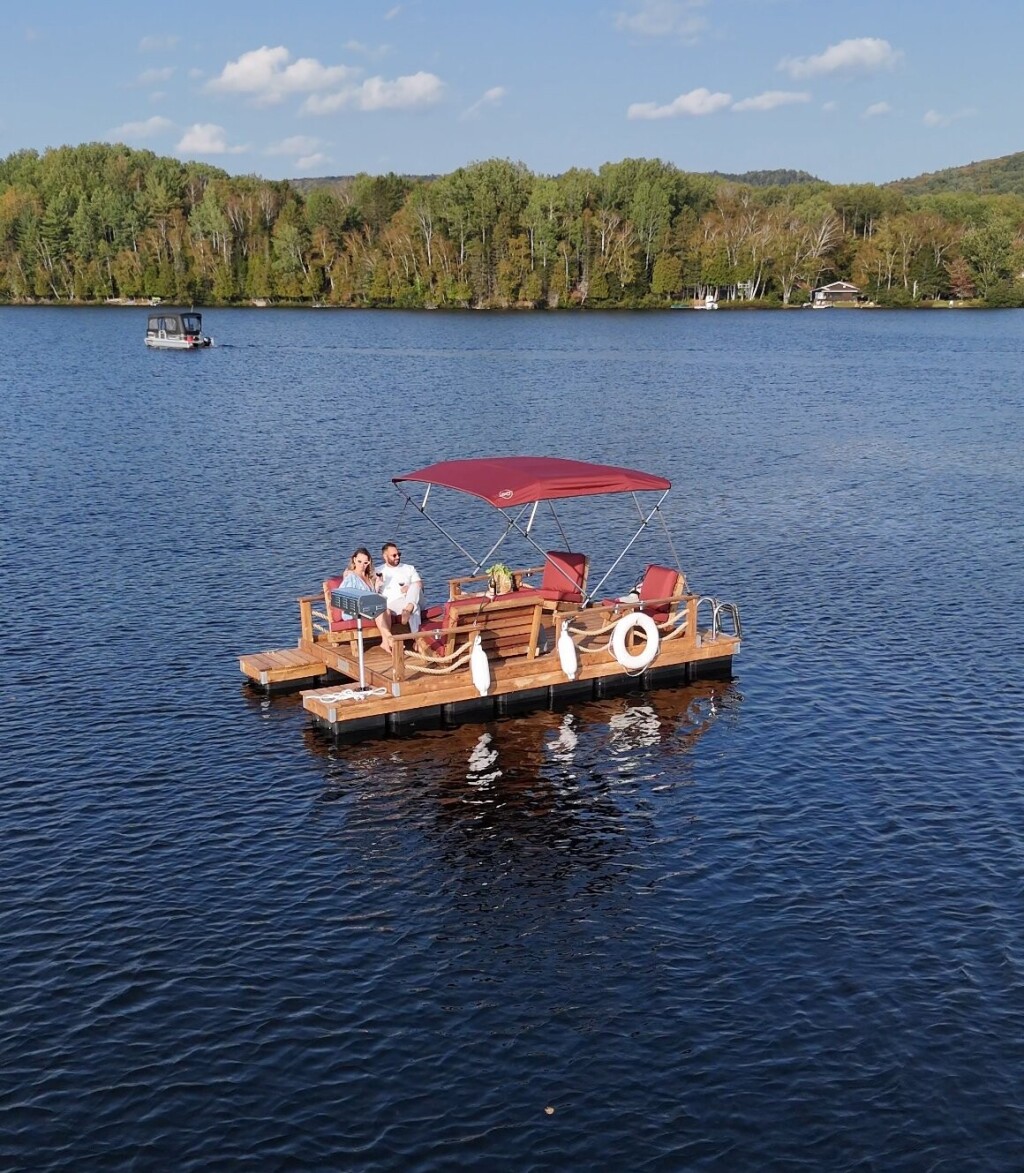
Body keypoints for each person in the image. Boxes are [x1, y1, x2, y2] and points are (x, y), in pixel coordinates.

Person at [338, 546, 393, 653]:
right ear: (354, 560)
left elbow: (371, 597)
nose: (362, 565)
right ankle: (390, 638)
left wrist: (377, 586)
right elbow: (342, 596)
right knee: (378, 610)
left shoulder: (368, 577)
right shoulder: (351, 577)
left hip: (367, 608)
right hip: (353, 610)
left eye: (365, 563)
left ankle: (385, 642)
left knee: (387, 610)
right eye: (359, 561)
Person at [377, 541, 423, 633]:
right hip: (394, 604)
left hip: (413, 597)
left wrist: (409, 588)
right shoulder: (378, 571)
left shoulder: (409, 568)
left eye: (399, 554)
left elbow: (420, 587)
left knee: (415, 585)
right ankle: (417, 639)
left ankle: (409, 607)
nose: (397, 557)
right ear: (385, 557)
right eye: (394, 555)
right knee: (415, 607)